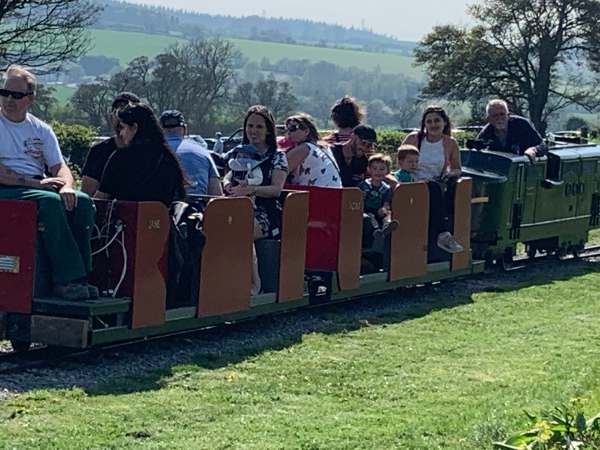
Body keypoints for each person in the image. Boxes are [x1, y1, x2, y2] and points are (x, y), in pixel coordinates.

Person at [0, 65, 96, 300]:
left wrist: (66, 186)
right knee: (50, 203)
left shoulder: (41, 129)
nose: (9, 100)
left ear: (30, 99)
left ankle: (83, 277)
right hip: (9, 188)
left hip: (36, 187)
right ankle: (65, 281)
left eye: (17, 95)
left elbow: (59, 166)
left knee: (82, 202)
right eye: (4, 93)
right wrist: (34, 184)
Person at [94, 103, 186, 206]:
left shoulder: (120, 158)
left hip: (127, 220)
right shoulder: (169, 157)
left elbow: (101, 199)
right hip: (158, 220)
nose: (121, 133)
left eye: (123, 128)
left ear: (135, 128)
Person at [402, 106, 463, 254]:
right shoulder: (413, 139)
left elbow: (457, 169)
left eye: (437, 120)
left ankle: (440, 237)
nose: (433, 124)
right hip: (411, 182)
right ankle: (441, 234)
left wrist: (449, 174)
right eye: (429, 121)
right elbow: (400, 160)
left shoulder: (450, 143)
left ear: (444, 123)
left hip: (435, 185)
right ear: (424, 124)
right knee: (432, 188)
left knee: (435, 188)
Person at [224, 105, 288, 240]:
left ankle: (250, 261)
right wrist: (227, 183)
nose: (253, 131)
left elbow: (276, 189)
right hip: (234, 205)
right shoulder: (236, 153)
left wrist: (250, 190)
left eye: (259, 127)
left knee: (239, 231)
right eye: (250, 126)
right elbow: (228, 175)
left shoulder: (277, 157)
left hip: (264, 212)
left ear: (268, 131)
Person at [81, 92, 141, 195]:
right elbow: (87, 195)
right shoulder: (98, 151)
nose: (121, 118)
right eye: (117, 112)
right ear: (111, 117)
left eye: (127, 112)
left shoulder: (148, 152)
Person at [159, 109, 223, 197]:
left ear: (159, 130)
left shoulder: (148, 154)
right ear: (185, 129)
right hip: (197, 209)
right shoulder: (203, 152)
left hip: (157, 209)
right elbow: (216, 195)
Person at [476, 99, 548, 161]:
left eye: (502, 114)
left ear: (508, 115)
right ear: (489, 119)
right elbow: (475, 155)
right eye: (495, 115)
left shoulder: (522, 125)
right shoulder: (486, 133)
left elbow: (543, 146)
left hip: (523, 171)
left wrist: (533, 150)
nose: (499, 118)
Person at [284, 113, 341, 188]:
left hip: (318, 195)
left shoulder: (304, 148)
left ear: (306, 131)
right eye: (287, 129)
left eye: (293, 128)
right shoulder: (323, 147)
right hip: (334, 195)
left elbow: (278, 172)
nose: (288, 132)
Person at [359, 154, 398, 249]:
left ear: (387, 171)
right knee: (370, 218)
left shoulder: (386, 188)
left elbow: (386, 203)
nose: (378, 172)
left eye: (382, 169)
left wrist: (384, 209)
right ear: (369, 169)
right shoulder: (364, 185)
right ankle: (377, 232)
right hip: (367, 211)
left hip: (379, 211)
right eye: (375, 168)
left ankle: (387, 226)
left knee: (387, 215)